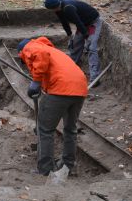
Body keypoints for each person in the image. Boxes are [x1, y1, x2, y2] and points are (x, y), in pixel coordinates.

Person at [17, 37, 88, 175]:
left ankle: (45, 169)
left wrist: (36, 81)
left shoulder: (31, 47)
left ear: (21, 52)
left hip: (60, 88)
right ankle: (67, 166)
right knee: (70, 129)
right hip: (79, 88)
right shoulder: (52, 50)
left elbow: (41, 56)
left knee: (44, 129)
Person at [43, 0, 102, 83]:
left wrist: (87, 38)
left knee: (91, 48)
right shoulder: (59, 8)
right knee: (75, 45)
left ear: (53, 7)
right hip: (83, 24)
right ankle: (71, 70)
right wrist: (70, 35)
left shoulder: (68, 8)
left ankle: (95, 77)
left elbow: (78, 22)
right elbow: (64, 22)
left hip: (93, 22)